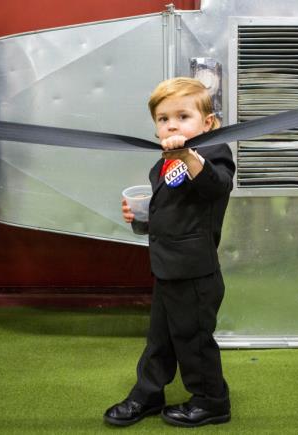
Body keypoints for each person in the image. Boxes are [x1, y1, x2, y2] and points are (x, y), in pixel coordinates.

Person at [105, 77, 236, 427]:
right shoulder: (162, 163)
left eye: (182, 116)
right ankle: (148, 394)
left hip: (194, 273)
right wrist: (143, 216)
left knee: (193, 340)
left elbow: (217, 187)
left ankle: (212, 401)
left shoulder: (211, 153)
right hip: (167, 267)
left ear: (207, 123)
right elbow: (176, 211)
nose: (172, 124)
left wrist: (189, 155)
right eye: (163, 119)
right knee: (159, 339)